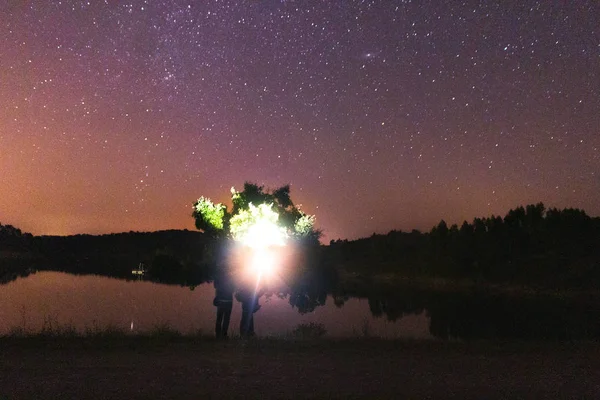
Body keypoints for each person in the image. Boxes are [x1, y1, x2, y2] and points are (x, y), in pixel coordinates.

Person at [213, 269, 234, 339]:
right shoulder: (231, 277)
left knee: (219, 318)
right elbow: (233, 288)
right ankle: (224, 334)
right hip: (228, 300)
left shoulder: (218, 276)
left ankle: (218, 335)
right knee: (226, 319)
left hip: (220, 300)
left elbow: (215, 286)